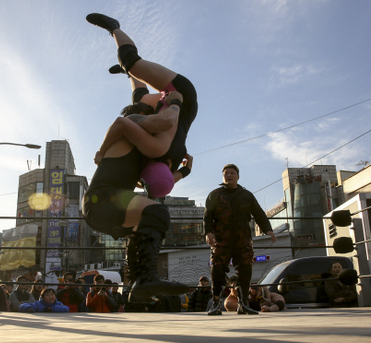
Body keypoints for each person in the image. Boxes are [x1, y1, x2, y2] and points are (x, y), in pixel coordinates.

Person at [84, 13, 199, 302]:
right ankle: (115, 29)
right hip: (104, 198)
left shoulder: (148, 144)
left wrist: (183, 174)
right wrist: (172, 100)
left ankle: (138, 285)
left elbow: (139, 92)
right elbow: (141, 114)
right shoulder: (148, 120)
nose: (146, 97)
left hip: (106, 202)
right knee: (132, 64)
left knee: (145, 222)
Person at [204, 164, 277, 315]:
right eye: (226, 173)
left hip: (242, 239)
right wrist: (208, 233)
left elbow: (258, 213)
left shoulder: (246, 195)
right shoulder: (215, 195)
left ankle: (243, 304)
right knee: (217, 269)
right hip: (221, 239)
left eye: (232, 173)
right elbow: (207, 216)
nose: (229, 175)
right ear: (223, 176)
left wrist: (268, 230)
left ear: (238, 176)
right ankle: (216, 304)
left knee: (245, 269)